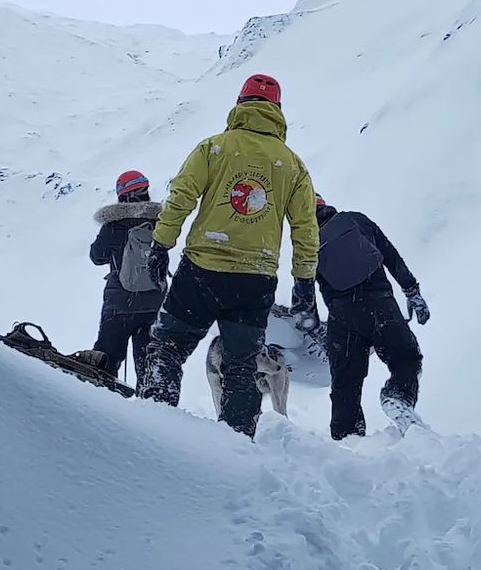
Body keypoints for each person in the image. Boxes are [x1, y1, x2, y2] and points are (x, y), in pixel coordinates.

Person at [139, 73, 320, 436]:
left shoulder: (214, 148)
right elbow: (305, 228)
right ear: (278, 111)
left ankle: (150, 430)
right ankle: (234, 448)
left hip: (202, 271)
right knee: (242, 366)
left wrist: (161, 244)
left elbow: (181, 197)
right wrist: (304, 282)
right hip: (255, 280)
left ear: (241, 104)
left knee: (167, 348)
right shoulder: (292, 165)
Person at [311, 195, 431, 440]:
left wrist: (312, 325)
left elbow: (302, 289)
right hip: (380, 306)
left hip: (342, 318)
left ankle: (347, 442)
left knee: (345, 384)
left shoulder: (306, 242)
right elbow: (390, 256)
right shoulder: (355, 220)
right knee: (406, 358)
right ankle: (398, 396)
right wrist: (412, 291)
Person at [79, 170, 166, 386]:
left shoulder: (113, 225)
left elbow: (96, 256)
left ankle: (103, 405)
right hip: (153, 302)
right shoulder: (160, 223)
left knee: (106, 359)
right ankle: (151, 410)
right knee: (149, 365)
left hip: (119, 302)